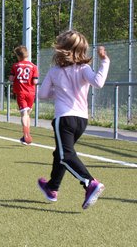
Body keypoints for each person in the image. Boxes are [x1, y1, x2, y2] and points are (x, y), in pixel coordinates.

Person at [37, 30, 110, 210]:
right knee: (60, 154)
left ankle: (90, 183)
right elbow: (98, 82)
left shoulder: (55, 71)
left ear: (61, 48)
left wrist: (59, 92)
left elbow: (42, 94)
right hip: (81, 120)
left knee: (65, 155)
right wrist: (105, 61)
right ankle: (52, 187)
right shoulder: (84, 68)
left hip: (64, 119)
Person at [9, 46, 39, 145]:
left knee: (24, 114)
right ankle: (26, 135)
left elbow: (11, 79)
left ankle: (25, 133)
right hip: (31, 92)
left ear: (18, 55)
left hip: (21, 92)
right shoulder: (33, 66)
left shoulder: (15, 66)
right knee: (27, 114)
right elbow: (35, 81)